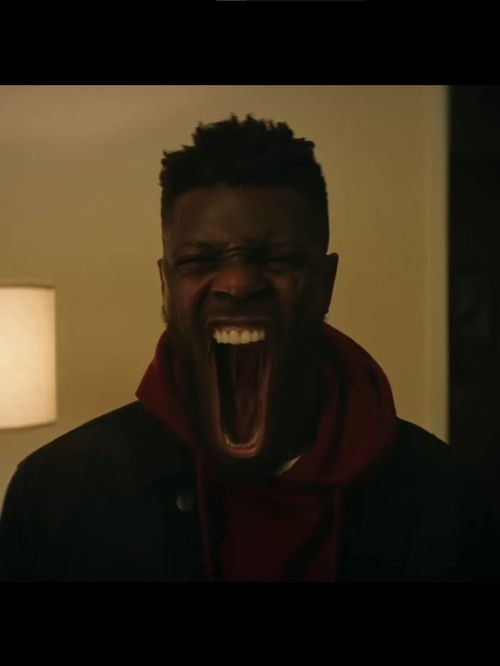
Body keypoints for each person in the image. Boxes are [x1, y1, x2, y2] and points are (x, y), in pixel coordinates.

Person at [0, 114, 498, 582]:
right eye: (200, 260)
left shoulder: (445, 498)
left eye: (277, 258)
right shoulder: (57, 494)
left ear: (325, 283)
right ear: (166, 285)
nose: (238, 284)